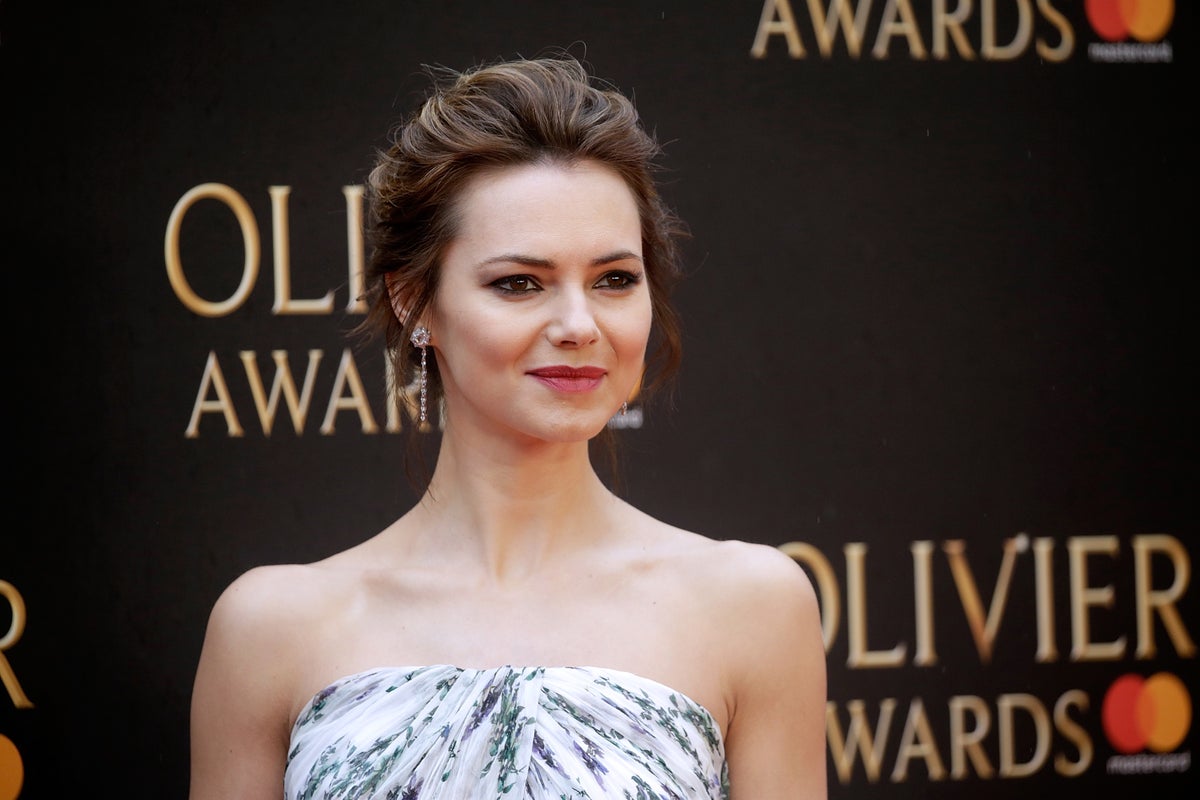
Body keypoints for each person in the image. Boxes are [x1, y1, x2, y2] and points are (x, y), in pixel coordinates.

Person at [188, 52, 827, 800]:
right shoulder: (269, 630)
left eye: (614, 280)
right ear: (412, 301)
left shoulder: (752, 607)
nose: (579, 325)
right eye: (519, 283)